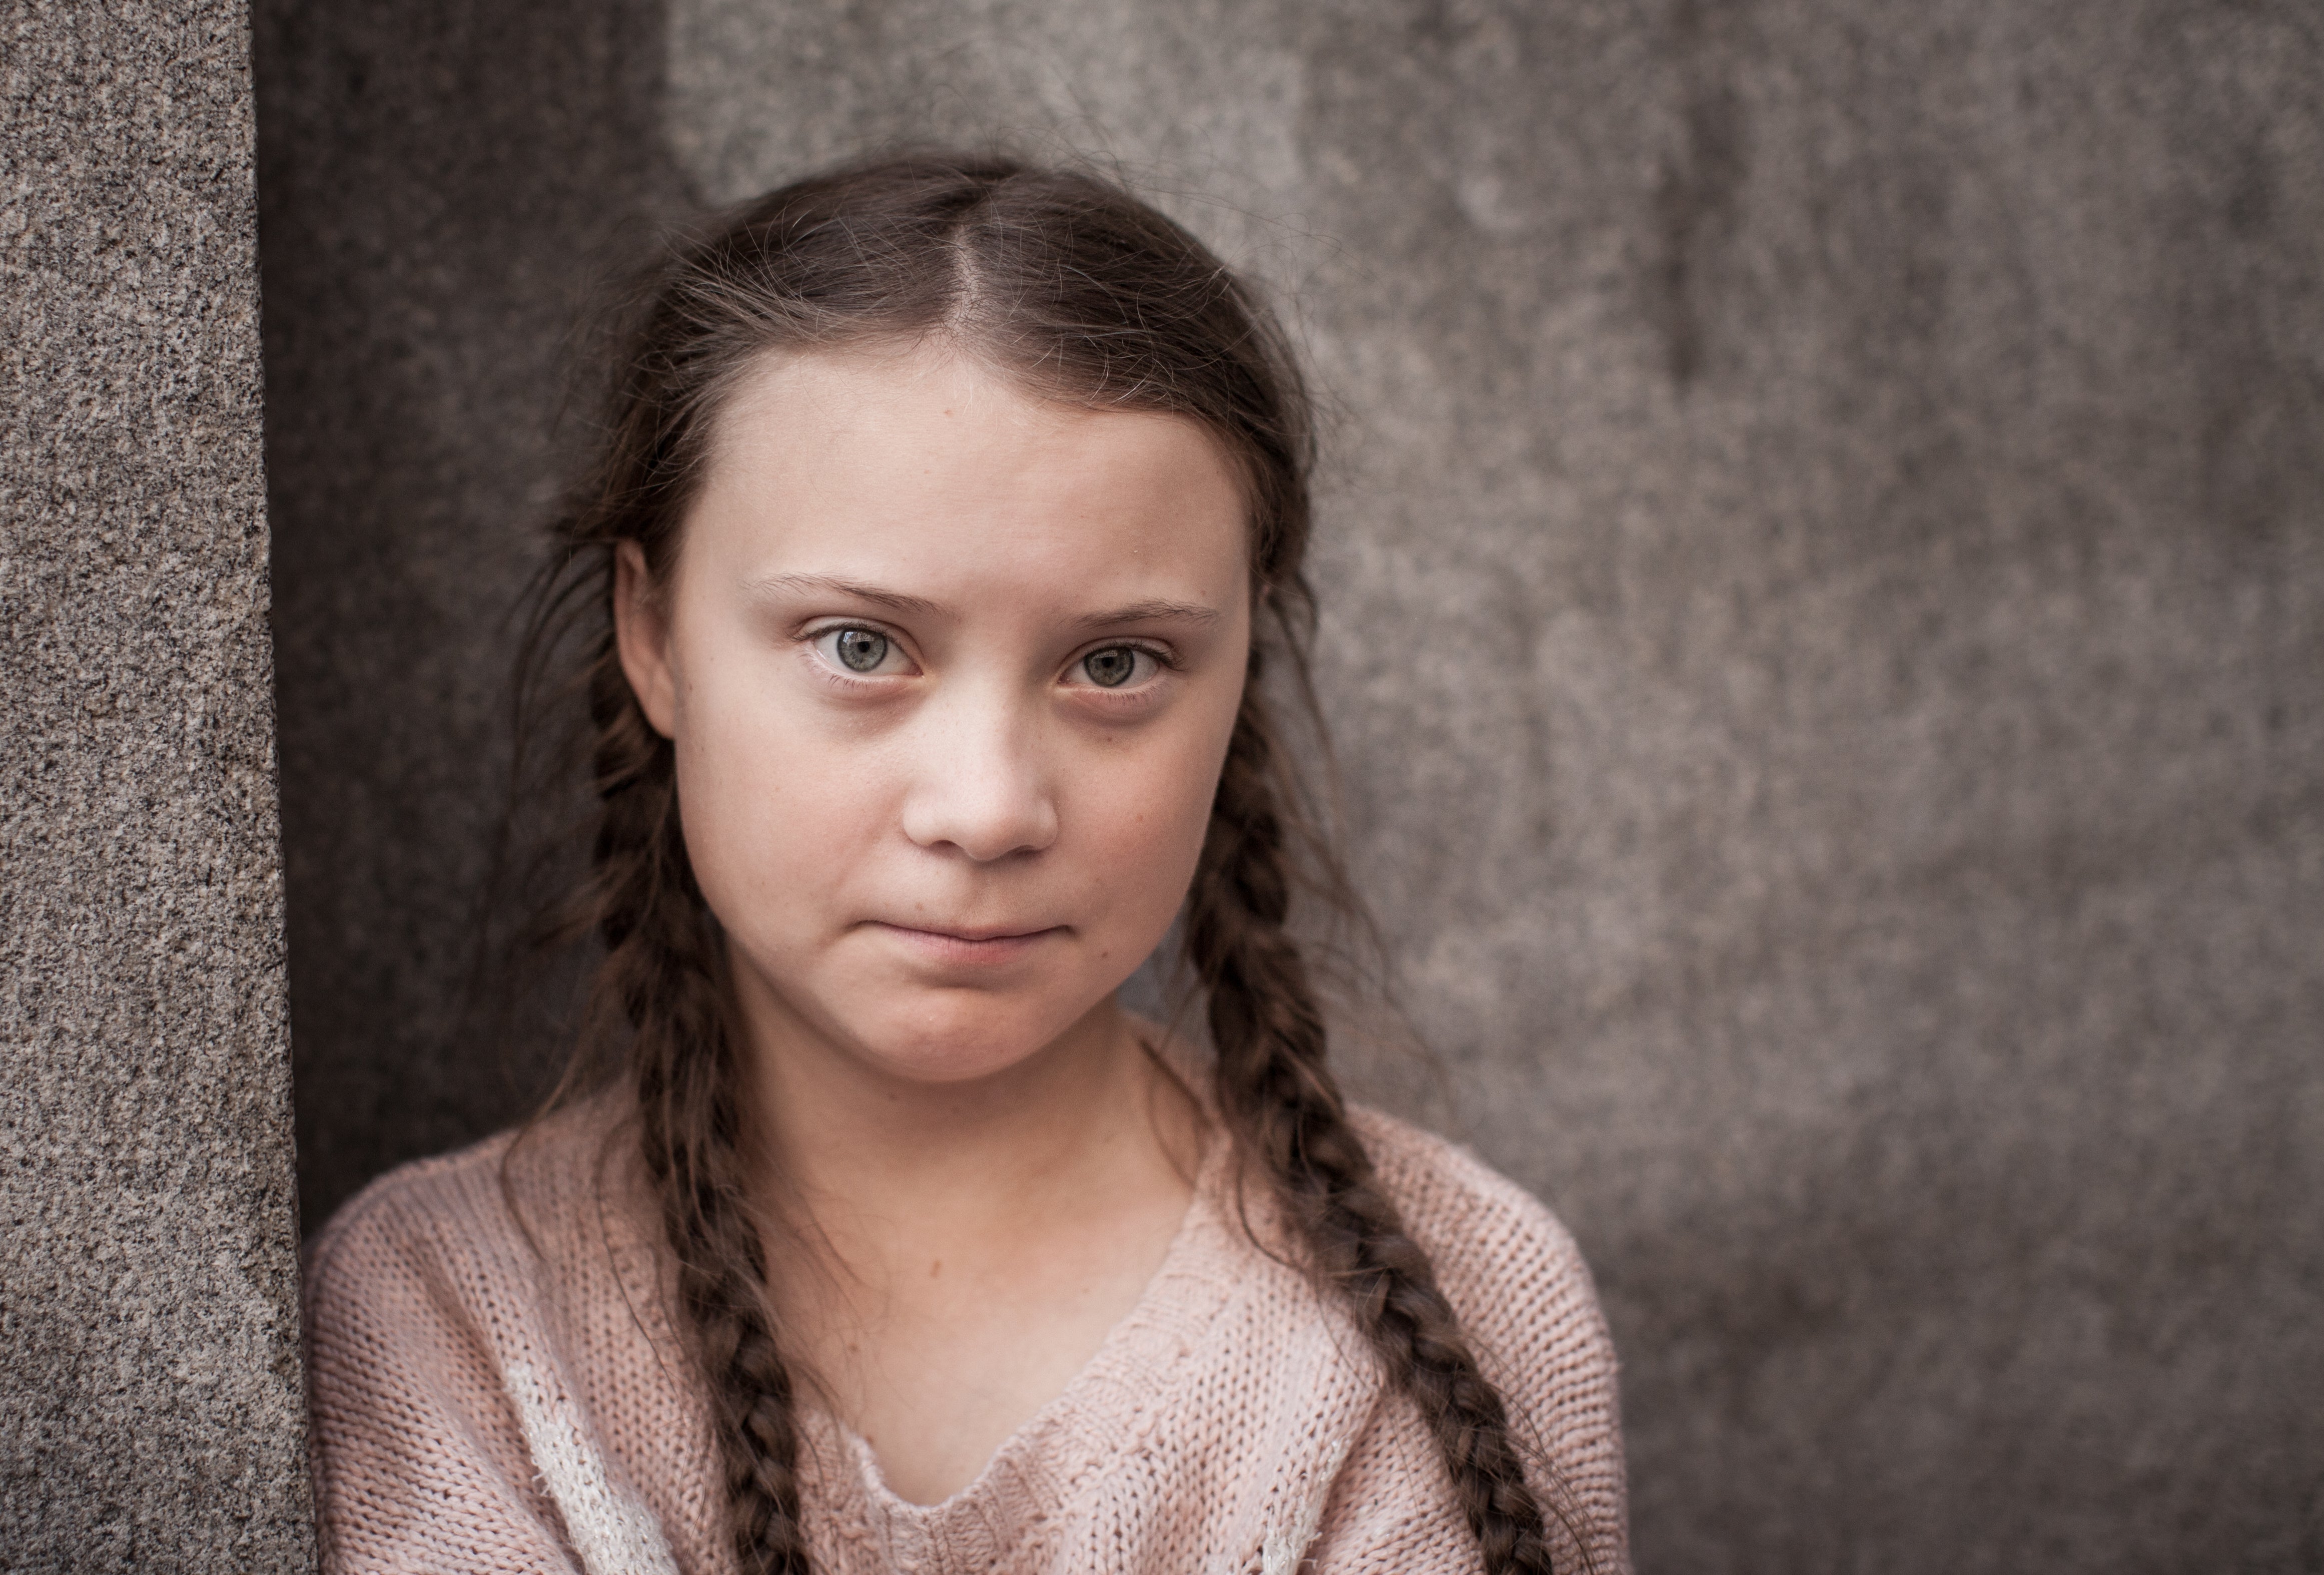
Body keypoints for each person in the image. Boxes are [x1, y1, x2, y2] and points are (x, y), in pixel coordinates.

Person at [301, 153, 1629, 1575]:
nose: (988, 808)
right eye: (861, 647)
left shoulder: (1457, 1306)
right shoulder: (452, 1314)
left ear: (1239, 671)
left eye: (1115, 663)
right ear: (656, 632)